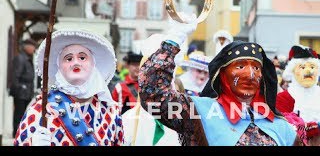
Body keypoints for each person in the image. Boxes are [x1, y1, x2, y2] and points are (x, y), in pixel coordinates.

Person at [138, 12, 299, 146]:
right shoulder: (199, 112)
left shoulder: (281, 127)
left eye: (256, 68)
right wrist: (175, 37)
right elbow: (154, 95)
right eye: (240, 66)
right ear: (222, 75)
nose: (250, 74)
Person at [13, 29, 124, 146]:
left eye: (82, 57)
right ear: (59, 67)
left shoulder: (111, 111)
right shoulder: (41, 110)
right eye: (68, 58)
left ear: (93, 65)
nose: (76, 63)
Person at [276, 45, 320, 145]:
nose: (308, 71)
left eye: (312, 67)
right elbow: (283, 128)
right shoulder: (284, 98)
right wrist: (314, 128)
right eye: (302, 67)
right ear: (292, 71)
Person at [10, 38, 38, 138]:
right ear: (27, 47)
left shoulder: (28, 58)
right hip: (21, 92)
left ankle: (19, 132)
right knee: (19, 114)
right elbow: (15, 76)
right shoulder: (20, 58)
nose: (34, 49)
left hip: (27, 92)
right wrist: (19, 90)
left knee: (23, 114)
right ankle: (16, 133)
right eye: (32, 46)